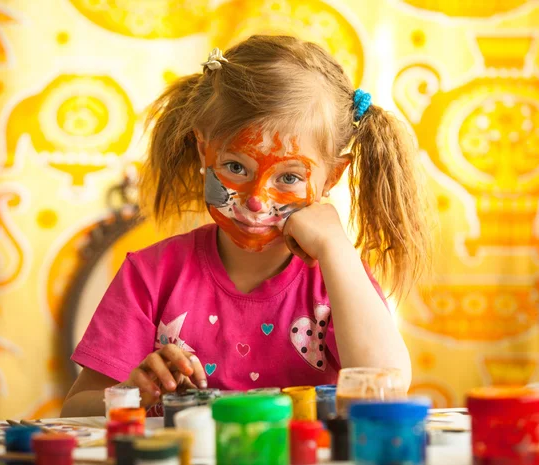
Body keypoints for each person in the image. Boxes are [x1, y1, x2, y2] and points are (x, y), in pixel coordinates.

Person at [61, 35, 429, 417]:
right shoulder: (151, 275)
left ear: (331, 178)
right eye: (236, 167)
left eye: (288, 177)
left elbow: (387, 391)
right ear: (204, 150)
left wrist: (337, 246)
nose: (256, 199)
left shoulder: (337, 277)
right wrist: (133, 394)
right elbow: (74, 411)